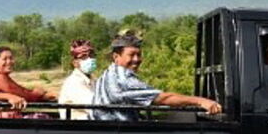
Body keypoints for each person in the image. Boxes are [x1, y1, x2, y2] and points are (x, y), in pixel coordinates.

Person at [91, 31, 221, 121]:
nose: (136, 59)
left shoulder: (107, 73)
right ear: (116, 57)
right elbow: (163, 98)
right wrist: (201, 101)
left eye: (139, 54)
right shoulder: (123, 79)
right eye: (131, 55)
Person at [0, 46, 55, 118]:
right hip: (2, 119)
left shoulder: (1, 76)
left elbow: (21, 90)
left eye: (11, 58)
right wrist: (38, 93)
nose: (9, 62)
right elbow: (21, 94)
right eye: (5, 59)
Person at [59, 39, 97, 120]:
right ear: (75, 63)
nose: (89, 59)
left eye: (91, 56)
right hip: (78, 125)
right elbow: (94, 106)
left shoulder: (93, 80)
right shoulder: (74, 82)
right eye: (84, 57)